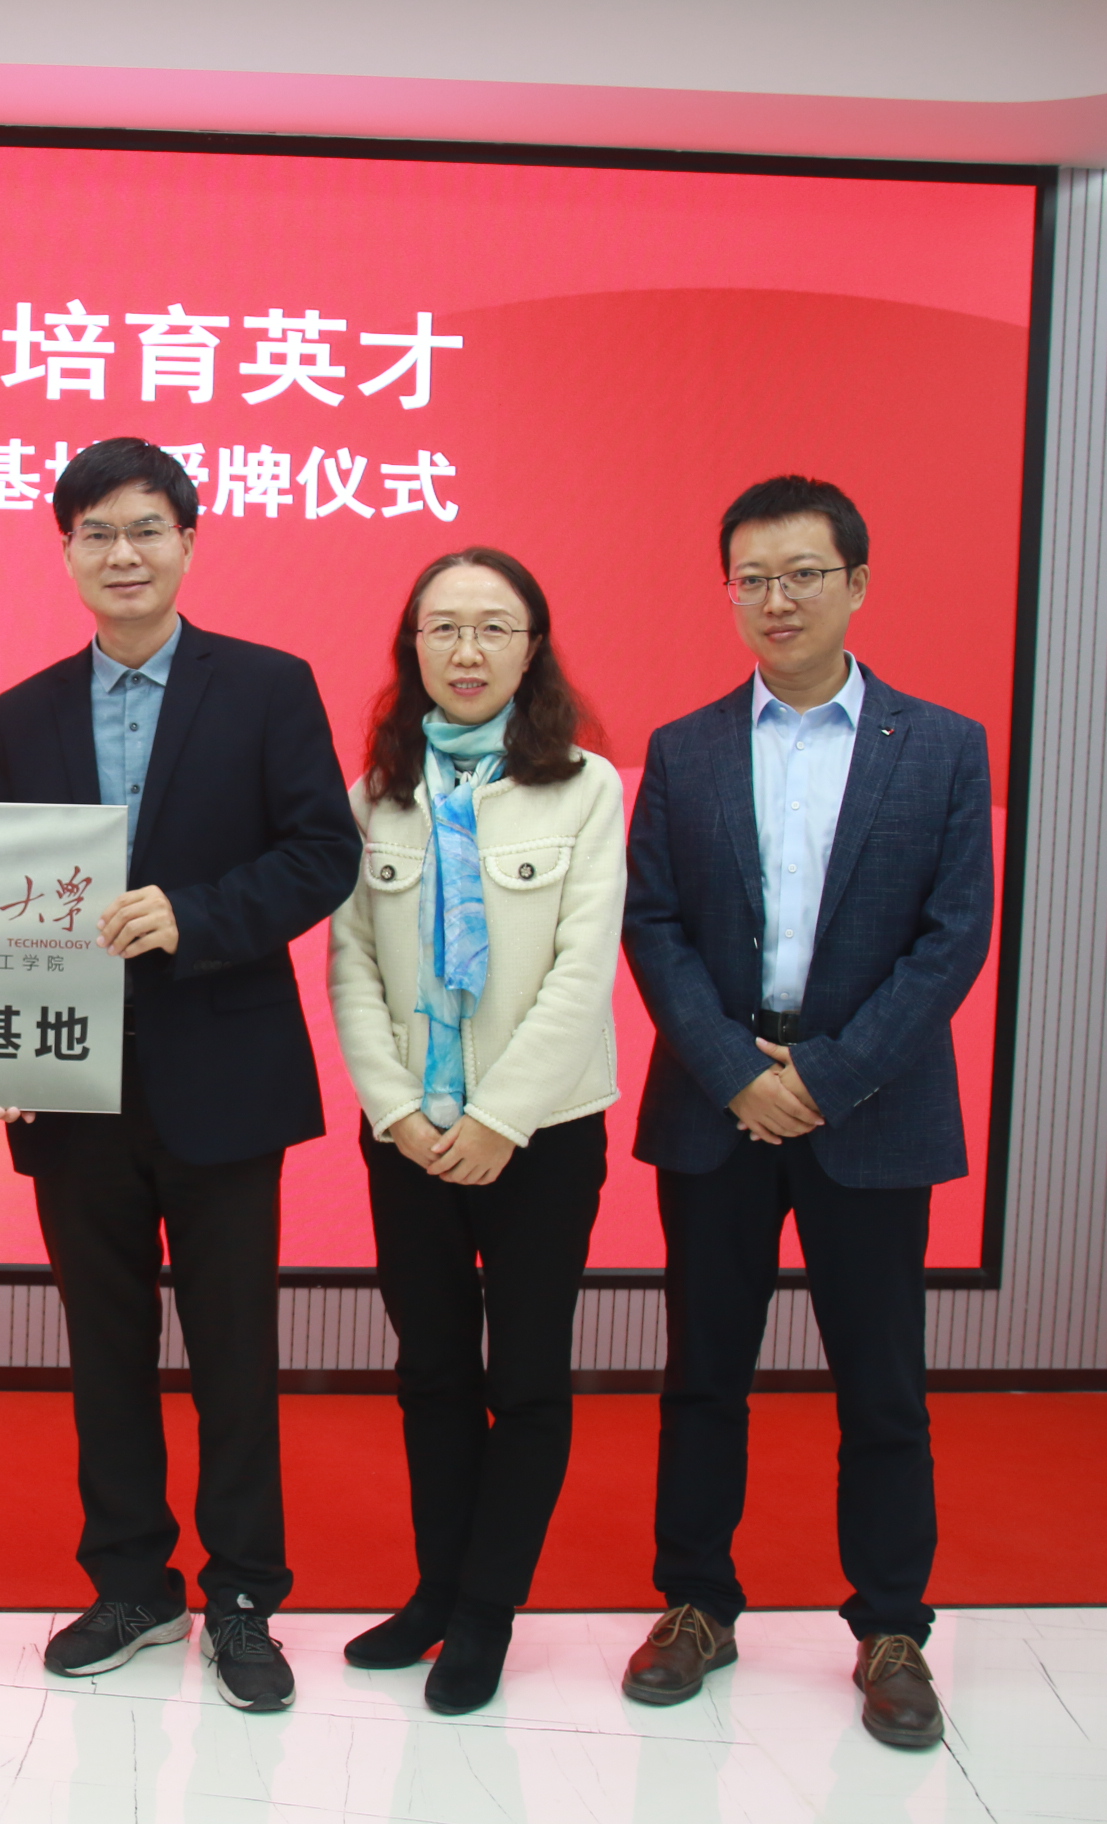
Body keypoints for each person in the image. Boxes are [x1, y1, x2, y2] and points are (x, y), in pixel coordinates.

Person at [0, 438, 361, 1714]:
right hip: (73, 1088)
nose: (122, 554)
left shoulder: (268, 688)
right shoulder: (17, 717)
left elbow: (322, 855)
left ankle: (244, 1594)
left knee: (236, 1351)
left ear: (189, 541)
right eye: (96, 533)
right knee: (106, 1350)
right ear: (66, 552)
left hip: (224, 1075)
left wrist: (194, 916)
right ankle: (132, 1582)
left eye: (145, 529)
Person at [620, 476, 994, 1750]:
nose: (775, 599)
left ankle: (892, 1627)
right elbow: (654, 925)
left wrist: (825, 1078)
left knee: (882, 1384)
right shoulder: (684, 748)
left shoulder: (940, 745)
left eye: (802, 574)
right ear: (728, 591)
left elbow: (952, 938)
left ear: (857, 584)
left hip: (871, 1113)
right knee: (702, 1375)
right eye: (752, 578)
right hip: (716, 1107)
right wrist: (738, 1070)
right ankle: (695, 1604)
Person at [326, 547, 624, 1714]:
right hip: (410, 1137)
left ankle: (490, 1614)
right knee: (434, 1373)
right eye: (443, 627)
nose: (466, 650)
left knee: (528, 1377)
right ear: (412, 647)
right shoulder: (377, 793)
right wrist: (396, 1110)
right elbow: (352, 964)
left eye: (493, 628)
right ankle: (437, 1594)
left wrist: (501, 1117)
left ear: (531, 647)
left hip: (542, 1134)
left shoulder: (586, 788)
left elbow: (583, 973)